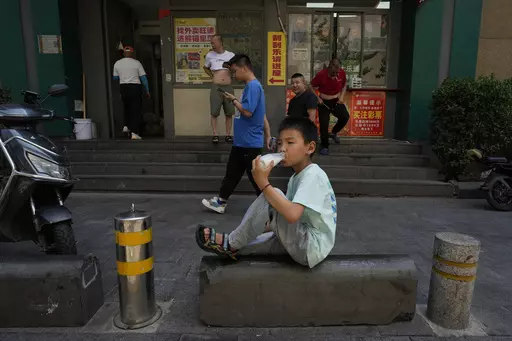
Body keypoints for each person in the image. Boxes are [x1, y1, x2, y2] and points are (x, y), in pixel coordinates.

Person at [195, 116, 338, 268]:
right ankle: (232, 249)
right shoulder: (296, 178)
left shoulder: (313, 174)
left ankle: (230, 243)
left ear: (310, 148)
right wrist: (258, 225)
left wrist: (263, 183)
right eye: (280, 143)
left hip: (311, 245)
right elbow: (282, 215)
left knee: (271, 195)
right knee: (261, 238)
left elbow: (292, 214)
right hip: (305, 242)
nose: (282, 148)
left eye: (290, 142)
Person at [202, 54, 272, 214]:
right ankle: (221, 201)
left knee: (256, 178)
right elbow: (261, 115)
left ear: (244, 68)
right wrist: (268, 134)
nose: (233, 75)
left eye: (234, 71)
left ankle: (271, 205)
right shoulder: (251, 87)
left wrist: (234, 101)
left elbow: (247, 112)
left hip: (249, 143)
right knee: (232, 174)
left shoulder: (253, 86)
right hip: (243, 142)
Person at [310, 58, 350, 155]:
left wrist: (342, 96)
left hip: (336, 100)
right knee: (324, 124)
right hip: (323, 102)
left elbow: (344, 85)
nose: (336, 75)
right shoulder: (321, 75)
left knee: (345, 117)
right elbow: (310, 86)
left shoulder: (341, 73)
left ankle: (334, 132)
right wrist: (317, 98)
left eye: (337, 73)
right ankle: (324, 145)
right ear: (329, 67)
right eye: (333, 73)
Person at [113, 46, 150, 140]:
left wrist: (123, 75)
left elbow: (115, 78)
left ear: (124, 53)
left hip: (123, 87)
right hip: (135, 87)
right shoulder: (137, 63)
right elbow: (143, 78)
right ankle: (134, 133)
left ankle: (126, 126)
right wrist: (147, 90)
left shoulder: (117, 63)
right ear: (132, 53)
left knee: (126, 107)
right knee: (135, 110)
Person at [204, 35, 236, 144]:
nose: (212, 45)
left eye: (214, 43)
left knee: (229, 112)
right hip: (216, 86)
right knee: (214, 112)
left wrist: (230, 70)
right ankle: (215, 134)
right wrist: (212, 76)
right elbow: (206, 67)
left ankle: (228, 134)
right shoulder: (209, 55)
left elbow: (236, 69)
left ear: (220, 42)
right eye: (211, 43)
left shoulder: (231, 55)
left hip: (228, 86)